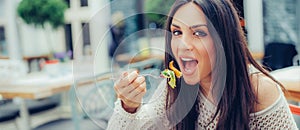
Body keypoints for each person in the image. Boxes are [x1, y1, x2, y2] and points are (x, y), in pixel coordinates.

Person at [107, 0, 298, 129]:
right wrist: (128, 106)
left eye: (199, 33)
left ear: (223, 40)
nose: (183, 45)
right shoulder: (174, 86)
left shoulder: (257, 90)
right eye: (176, 32)